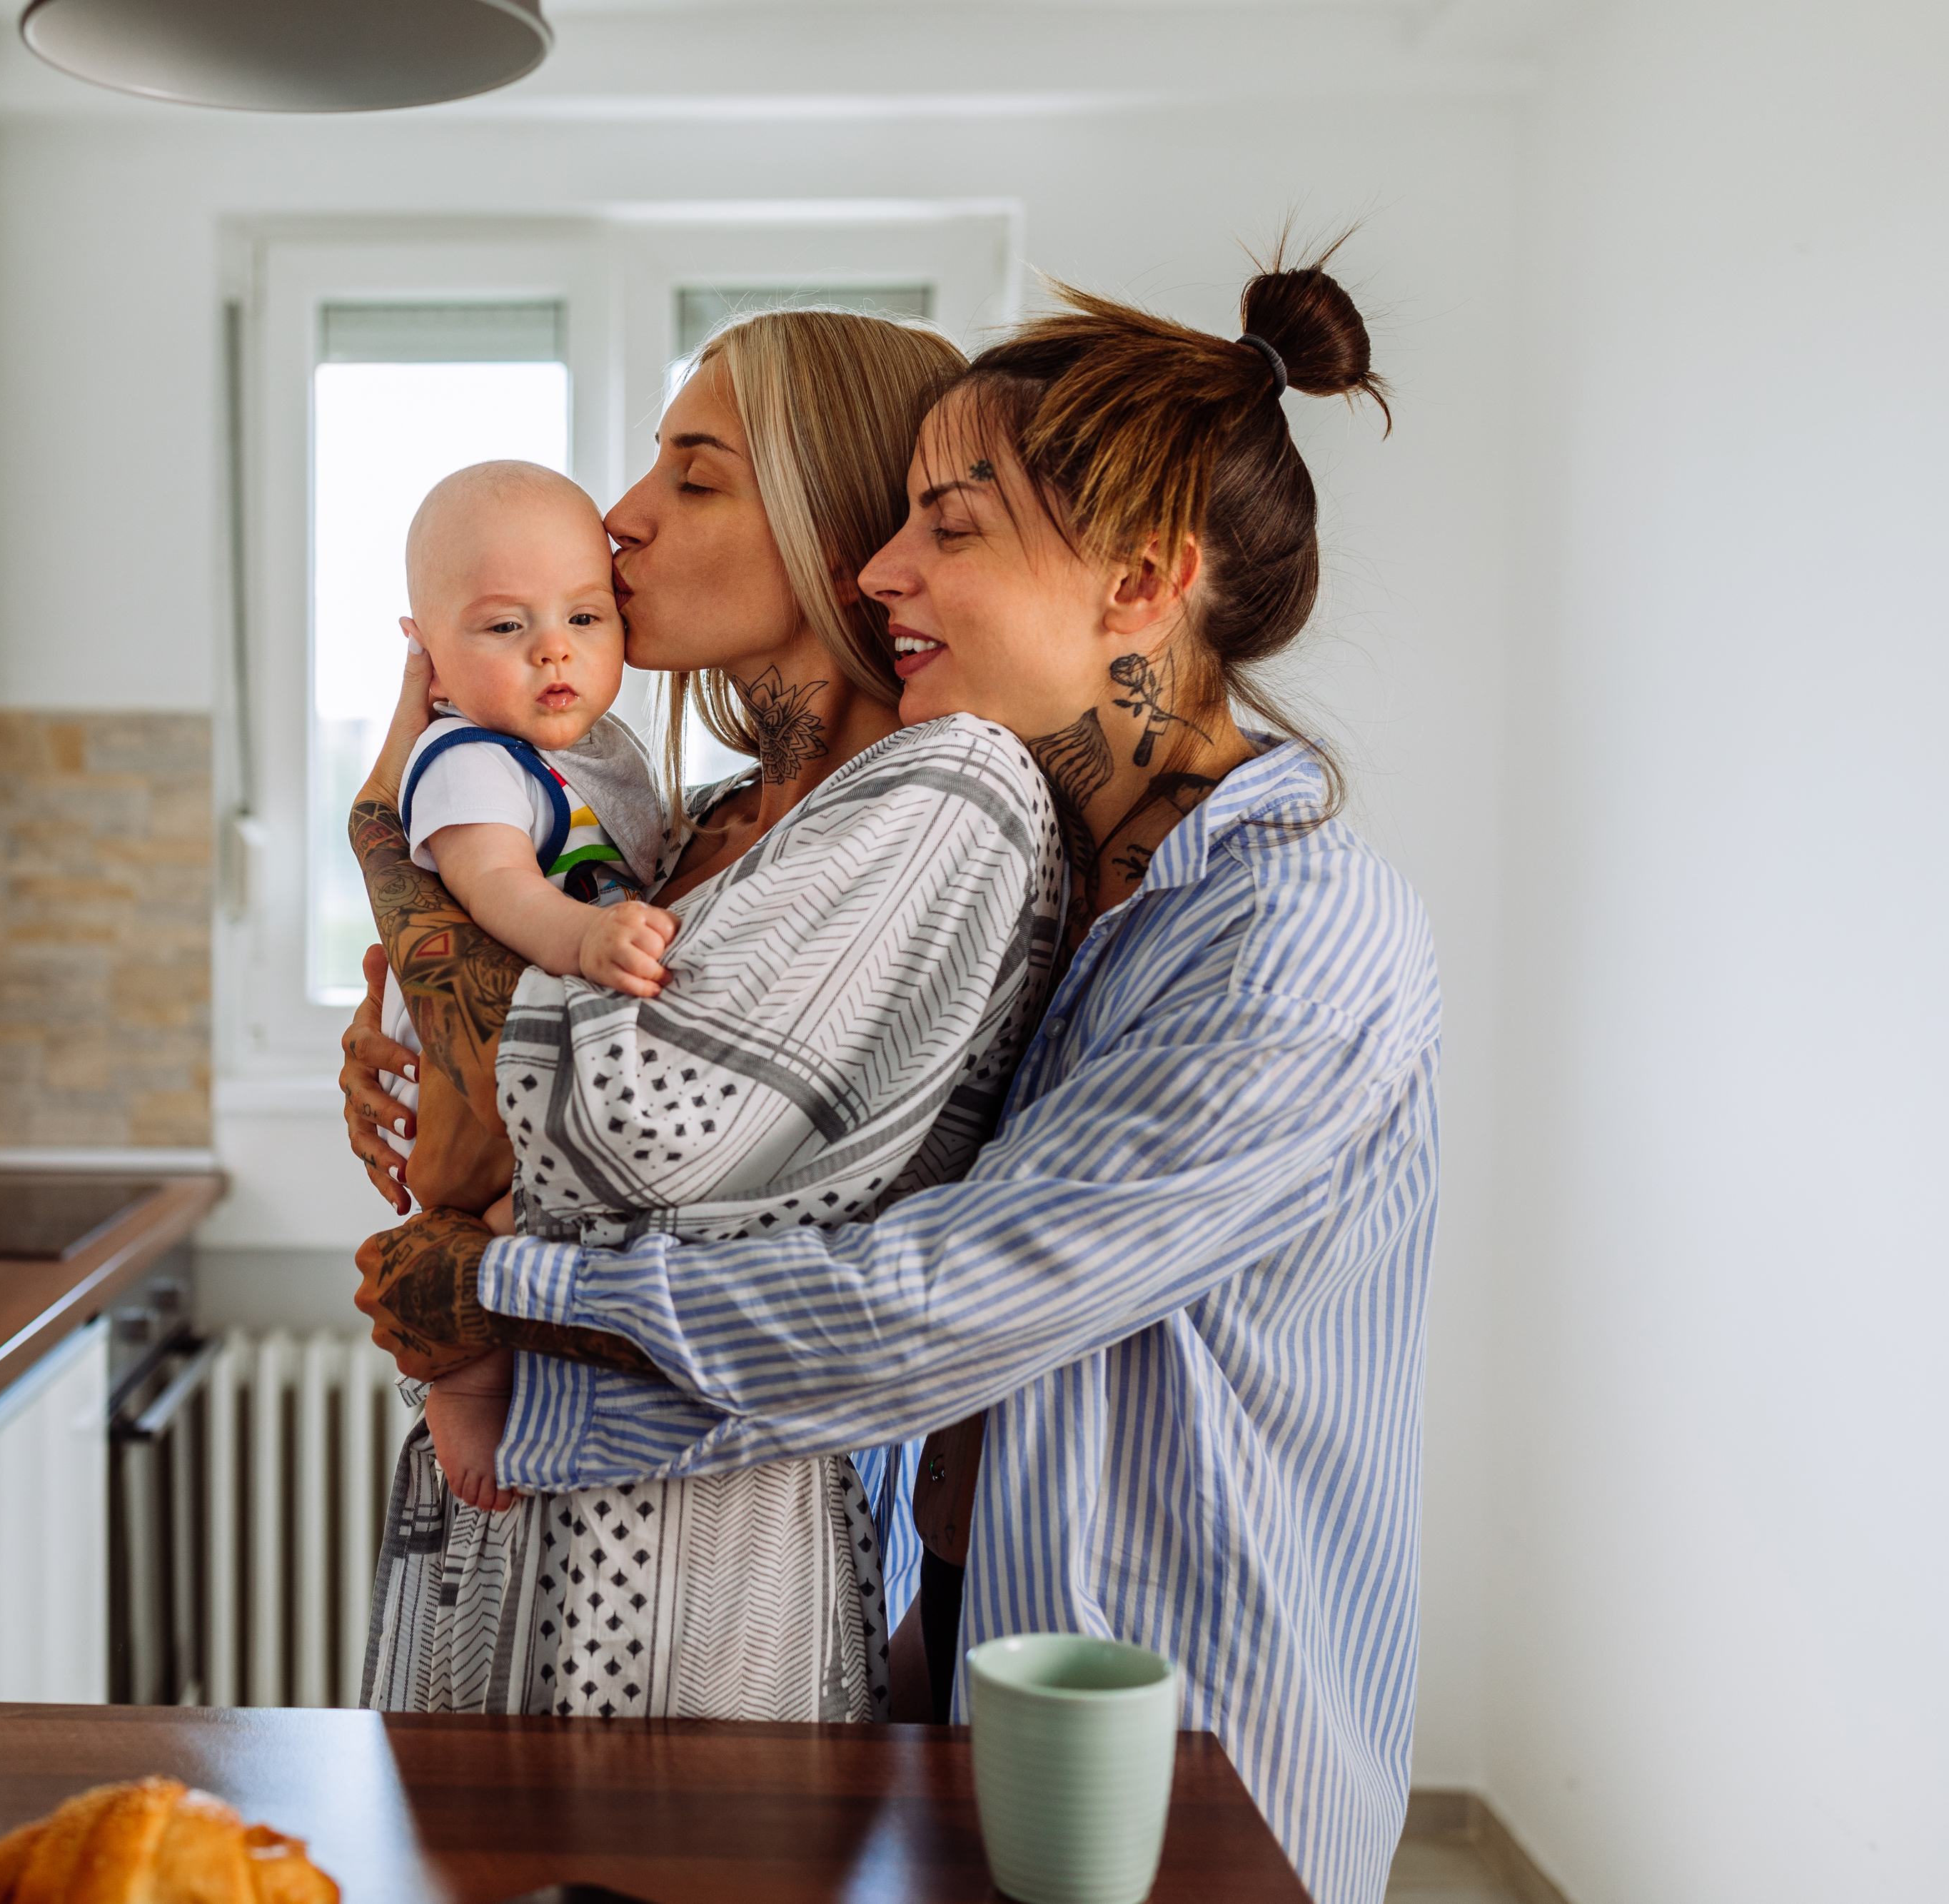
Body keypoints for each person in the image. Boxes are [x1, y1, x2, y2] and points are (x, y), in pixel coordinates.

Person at [341, 245, 1437, 1904]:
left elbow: (933, 1302)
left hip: (1209, 1745)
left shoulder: (1288, 929)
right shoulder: (1095, 882)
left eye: (948, 526)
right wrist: (425, 974)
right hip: (996, 1683)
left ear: (1139, 582)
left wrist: (490, 1283)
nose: (878, 567)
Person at [348, 308, 1063, 1722]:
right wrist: (426, 1035)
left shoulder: (938, 795)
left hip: (681, 1576)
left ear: (830, 514)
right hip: (501, 1532)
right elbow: (489, 1125)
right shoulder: (693, 821)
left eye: (692, 474)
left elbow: (618, 1132)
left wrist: (392, 853)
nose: (618, 521)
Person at [371, 458, 675, 1507]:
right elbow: (493, 882)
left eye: (586, 616)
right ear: (433, 665)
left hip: (530, 1063)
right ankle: (458, 1380)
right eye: (504, 628)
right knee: (471, 1221)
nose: (555, 647)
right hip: (462, 1088)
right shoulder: (468, 758)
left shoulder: (597, 753)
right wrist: (587, 940)